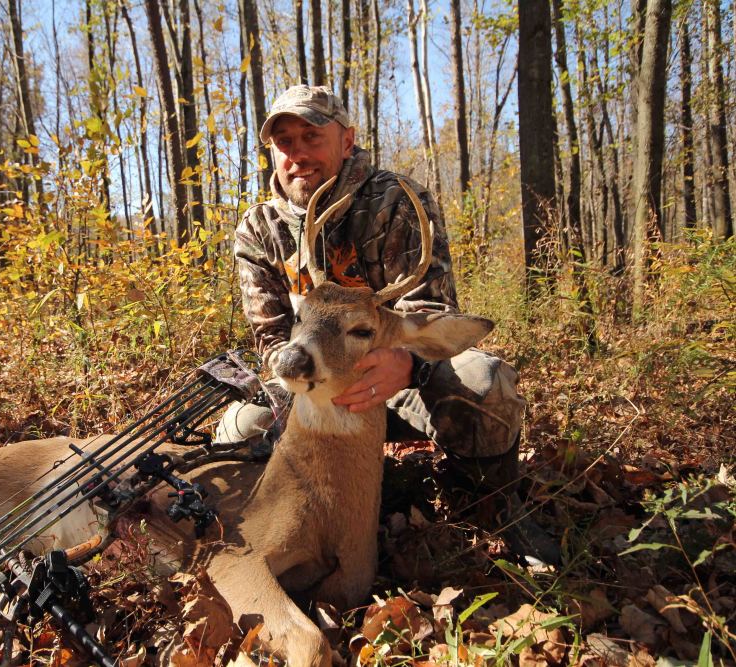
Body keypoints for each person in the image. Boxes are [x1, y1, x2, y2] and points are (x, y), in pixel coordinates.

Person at [218, 85, 560, 566]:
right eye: (285, 142)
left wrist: (405, 362)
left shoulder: (394, 201)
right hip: (311, 386)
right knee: (237, 436)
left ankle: (497, 506)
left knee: (485, 387)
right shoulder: (260, 228)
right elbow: (270, 335)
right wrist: (292, 373)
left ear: (347, 139)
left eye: (312, 137)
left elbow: (432, 309)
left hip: (393, 380)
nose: (298, 154)